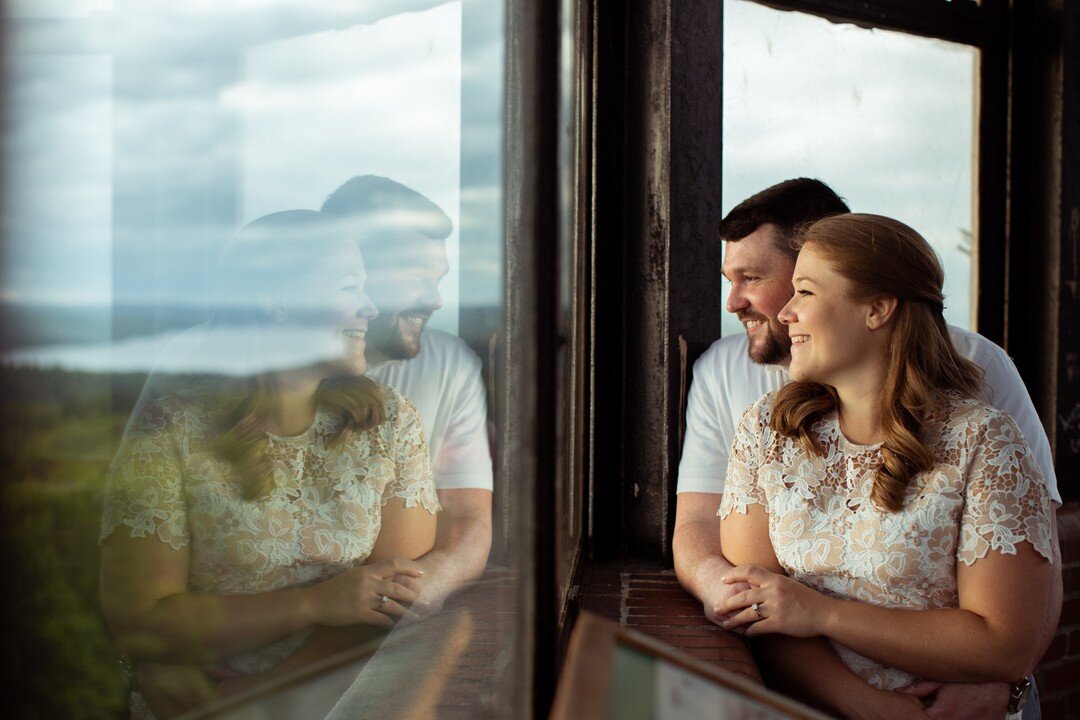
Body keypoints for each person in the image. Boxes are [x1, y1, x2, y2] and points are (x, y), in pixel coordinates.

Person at [673, 179, 1063, 718]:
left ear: (875, 307)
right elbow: (752, 592)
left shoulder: (982, 414)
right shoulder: (761, 423)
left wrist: (1006, 682)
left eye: (799, 289)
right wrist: (871, 708)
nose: (781, 310)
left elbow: (1028, 591)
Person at [100, 210, 440, 718]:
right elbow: (142, 622)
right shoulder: (171, 428)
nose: (370, 308)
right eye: (350, 286)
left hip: (344, 703)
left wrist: (266, 696)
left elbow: (394, 606)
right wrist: (315, 603)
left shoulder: (392, 425)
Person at [322, 176, 493, 614]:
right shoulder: (211, 364)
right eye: (414, 275)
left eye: (438, 278)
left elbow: (466, 515)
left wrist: (425, 587)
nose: (435, 299)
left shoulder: (449, 365)